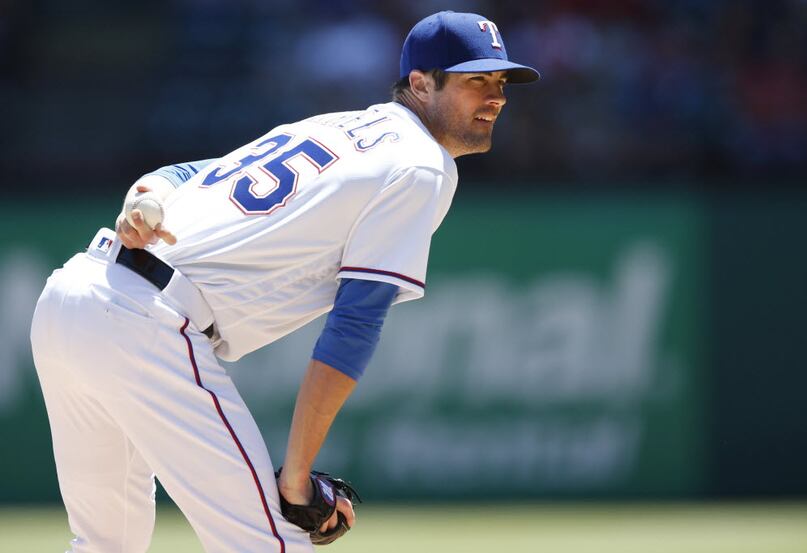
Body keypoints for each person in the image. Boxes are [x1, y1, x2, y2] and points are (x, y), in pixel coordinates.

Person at [30, 10, 539, 553]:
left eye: (501, 81)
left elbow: (186, 173)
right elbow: (355, 324)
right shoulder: (421, 165)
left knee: (106, 544)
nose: (496, 96)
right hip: (143, 324)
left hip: (75, 294)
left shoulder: (332, 126)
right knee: (270, 544)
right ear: (419, 83)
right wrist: (296, 479)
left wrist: (146, 191)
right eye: (475, 80)